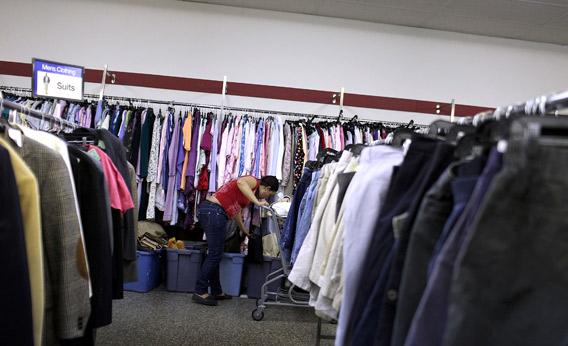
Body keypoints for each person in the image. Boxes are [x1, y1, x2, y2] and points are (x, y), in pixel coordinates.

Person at [192, 175, 279, 306]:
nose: (265, 198)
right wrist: (257, 202)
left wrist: (243, 229)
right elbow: (240, 182)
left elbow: (236, 210)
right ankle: (199, 291)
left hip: (213, 212)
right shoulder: (254, 182)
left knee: (215, 254)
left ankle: (216, 291)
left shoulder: (249, 194)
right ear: (267, 188)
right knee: (215, 254)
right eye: (269, 194)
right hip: (213, 211)